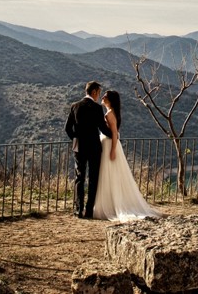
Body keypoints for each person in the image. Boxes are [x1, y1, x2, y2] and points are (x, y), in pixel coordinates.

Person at [92, 90, 159, 222]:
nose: (103, 97)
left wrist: (112, 151)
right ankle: (110, 202)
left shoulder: (110, 114)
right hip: (108, 145)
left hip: (110, 146)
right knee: (110, 175)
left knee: (110, 174)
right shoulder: (111, 112)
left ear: (110, 100)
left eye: (105, 96)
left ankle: (111, 204)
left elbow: (115, 133)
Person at [65, 81, 110, 218]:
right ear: (95, 92)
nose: (99, 95)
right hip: (94, 148)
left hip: (79, 148)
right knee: (93, 178)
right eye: (99, 93)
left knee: (80, 177)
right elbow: (103, 128)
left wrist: (76, 139)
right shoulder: (96, 108)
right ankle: (89, 210)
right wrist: (114, 134)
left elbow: (67, 128)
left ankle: (79, 209)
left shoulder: (75, 106)